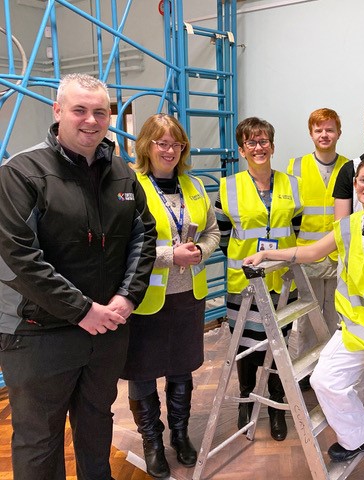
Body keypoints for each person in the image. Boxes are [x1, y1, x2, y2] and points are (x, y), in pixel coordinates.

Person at [0, 73, 156, 480]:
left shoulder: (122, 173)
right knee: (39, 440)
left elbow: (145, 235)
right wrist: (82, 309)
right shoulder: (21, 173)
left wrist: (128, 297)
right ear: (57, 112)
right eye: (80, 110)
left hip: (106, 330)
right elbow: (19, 257)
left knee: (96, 425)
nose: (91, 120)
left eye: (100, 112)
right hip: (38, 333)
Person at [244, 156, 364, 480]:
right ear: (355, 184)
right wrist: (268, 253)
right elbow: (310, 252)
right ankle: (360, 437)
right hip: (359, 333)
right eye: (363, 180)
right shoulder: (347, 227)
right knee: (325, 381)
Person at [120, 114, 220, 478]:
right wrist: (168, 256)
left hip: (187, 297)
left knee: (181, 369)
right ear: (146, 145)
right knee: (143, 372)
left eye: (176, 144)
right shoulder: (131, 185)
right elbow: (124, 245)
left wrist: (201, 251)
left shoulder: (194, 186)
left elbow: (212, 232)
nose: (169, 150)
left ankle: (180, 435)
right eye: (161, 143)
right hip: (144, 299)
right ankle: (152, 441)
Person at [215, 117, 303, 441]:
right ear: (242, 149)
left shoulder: (291, 185)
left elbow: (296, 228)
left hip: (281, 282)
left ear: (273, 146)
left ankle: (276, 406)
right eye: (251, 142)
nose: (258, 147)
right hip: (244, 282)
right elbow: (224, 235)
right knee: (246, 346)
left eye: (264, 141)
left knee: (278, 346)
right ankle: (246, 401)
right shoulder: (229, 187)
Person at [286, 108, 349, 358]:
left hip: (338, 256)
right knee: (307, 318)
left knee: (336, 316)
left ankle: (331, 369)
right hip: (307, 256)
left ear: (339, 133)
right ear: (311, 133)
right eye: (318, 129)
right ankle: (305, 370)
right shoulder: (296, 166)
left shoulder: (350, 166)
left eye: (330, 129)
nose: (324, 134)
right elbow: (289, 213)